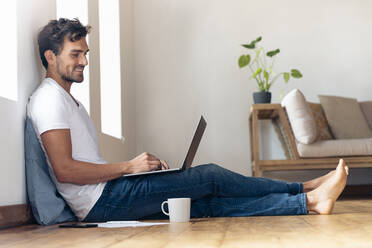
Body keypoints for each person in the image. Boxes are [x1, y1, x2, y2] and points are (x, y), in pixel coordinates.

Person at [27, 18, 349, 222]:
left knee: (204, 204)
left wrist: (134, 171)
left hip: (108, 194)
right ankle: (305, 187)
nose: (84, 61)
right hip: (102, 203)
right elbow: (65, 170)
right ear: (50, 56)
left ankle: (307, 202)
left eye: (86, 53)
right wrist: (129, 168)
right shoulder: (48, 100)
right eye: (75, 54)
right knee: (210, 176)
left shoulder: (68, 100)